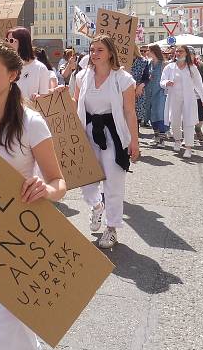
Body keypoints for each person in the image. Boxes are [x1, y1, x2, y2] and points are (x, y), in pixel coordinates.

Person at [0, 39, 66, 349]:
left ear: (13, 75)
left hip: (21, 237)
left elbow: (58, 182)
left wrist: (45, 188)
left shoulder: (32, 123)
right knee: (6, 316)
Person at [75, 35, 140, 248]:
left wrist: (134, 142)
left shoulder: (123, 79)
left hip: (113, 132)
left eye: (99, 50)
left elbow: (130, 112)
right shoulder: (82, 76)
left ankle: (111, 228)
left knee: (113, 180)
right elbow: (75, 104)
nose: (94, 54)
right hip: (89, 131)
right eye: (92, 50)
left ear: (110, 52)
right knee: (87, 180)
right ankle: (96, 206)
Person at [161, 45, 203, 159]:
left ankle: (188, 147)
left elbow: (198, 84)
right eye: (176, 51)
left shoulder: (192, 68)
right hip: (174, 98)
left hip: (189, 99)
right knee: (175, 121)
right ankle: (177, 140)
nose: (178, 53)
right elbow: (162, 81)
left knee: (189, 122)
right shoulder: (169, 67)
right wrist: (166, 82)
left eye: (181, 51)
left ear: (186, 53)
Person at [5, 27, 48, 99]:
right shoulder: (5, 66)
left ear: (23, 42)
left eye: (11, 40)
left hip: (29, 109)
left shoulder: (40, 68)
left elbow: (44, 95)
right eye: (6, 40)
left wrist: (38, 97)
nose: (7, 44)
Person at [144, 45, 168, 146]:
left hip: (160, 92)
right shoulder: (148, 63)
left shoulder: (164, 64)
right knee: (151, 114)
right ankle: (156, 136)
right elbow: (145, 77)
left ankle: (162, 139)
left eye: (148, 50)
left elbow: (167, 78)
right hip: (149, 92)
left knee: (160, 114)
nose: (146, 52)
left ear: (154, 51)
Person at [129, 46, 150, 129]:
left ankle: (135, 139)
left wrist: (141, 86)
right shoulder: (121, 61)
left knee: (136, 118)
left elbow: (146, 78)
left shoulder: (143, 61)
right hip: (123, 91)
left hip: (138, 92)